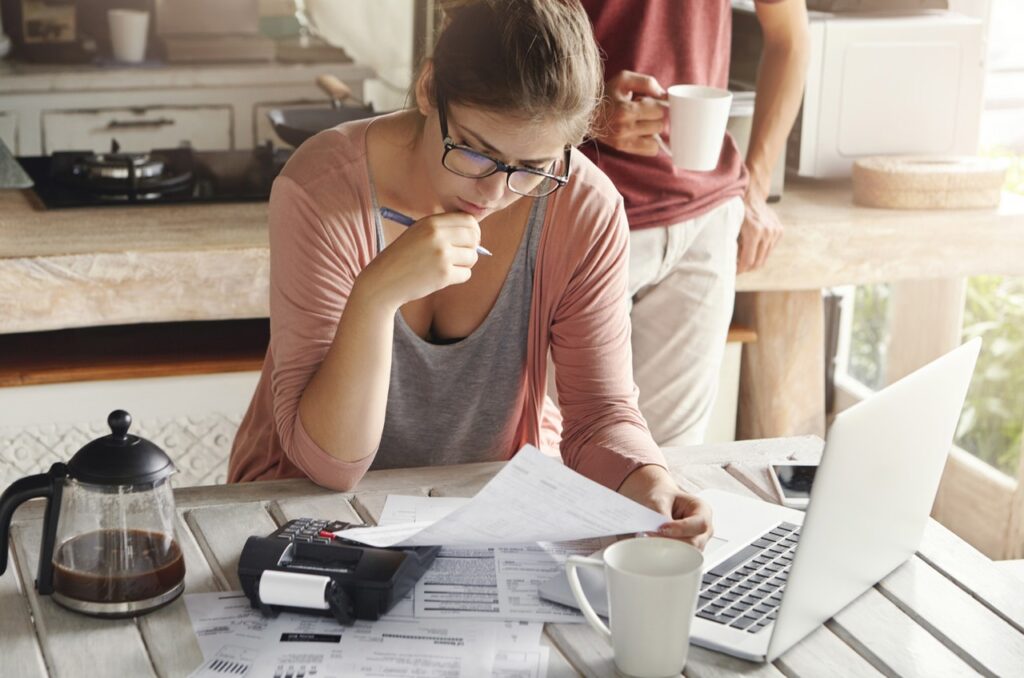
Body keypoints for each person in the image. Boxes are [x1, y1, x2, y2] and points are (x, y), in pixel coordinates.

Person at [228, 0, 712, 549]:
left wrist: (650, 485)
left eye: (532, 168)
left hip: (487, 513)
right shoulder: (321, 188)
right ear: (430, 88)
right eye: (476, 152)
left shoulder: (583, 208)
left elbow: (600, 414)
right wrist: (376, 295)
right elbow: (329, 464)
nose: (493, 193)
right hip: (299, 510)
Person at [579, 0, 809, 446]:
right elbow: (488, 39)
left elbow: (790, 36)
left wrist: (755, 189)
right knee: (566, 457)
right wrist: (584, 109)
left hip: (703, 225)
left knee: (673, 475)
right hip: (580, 215)